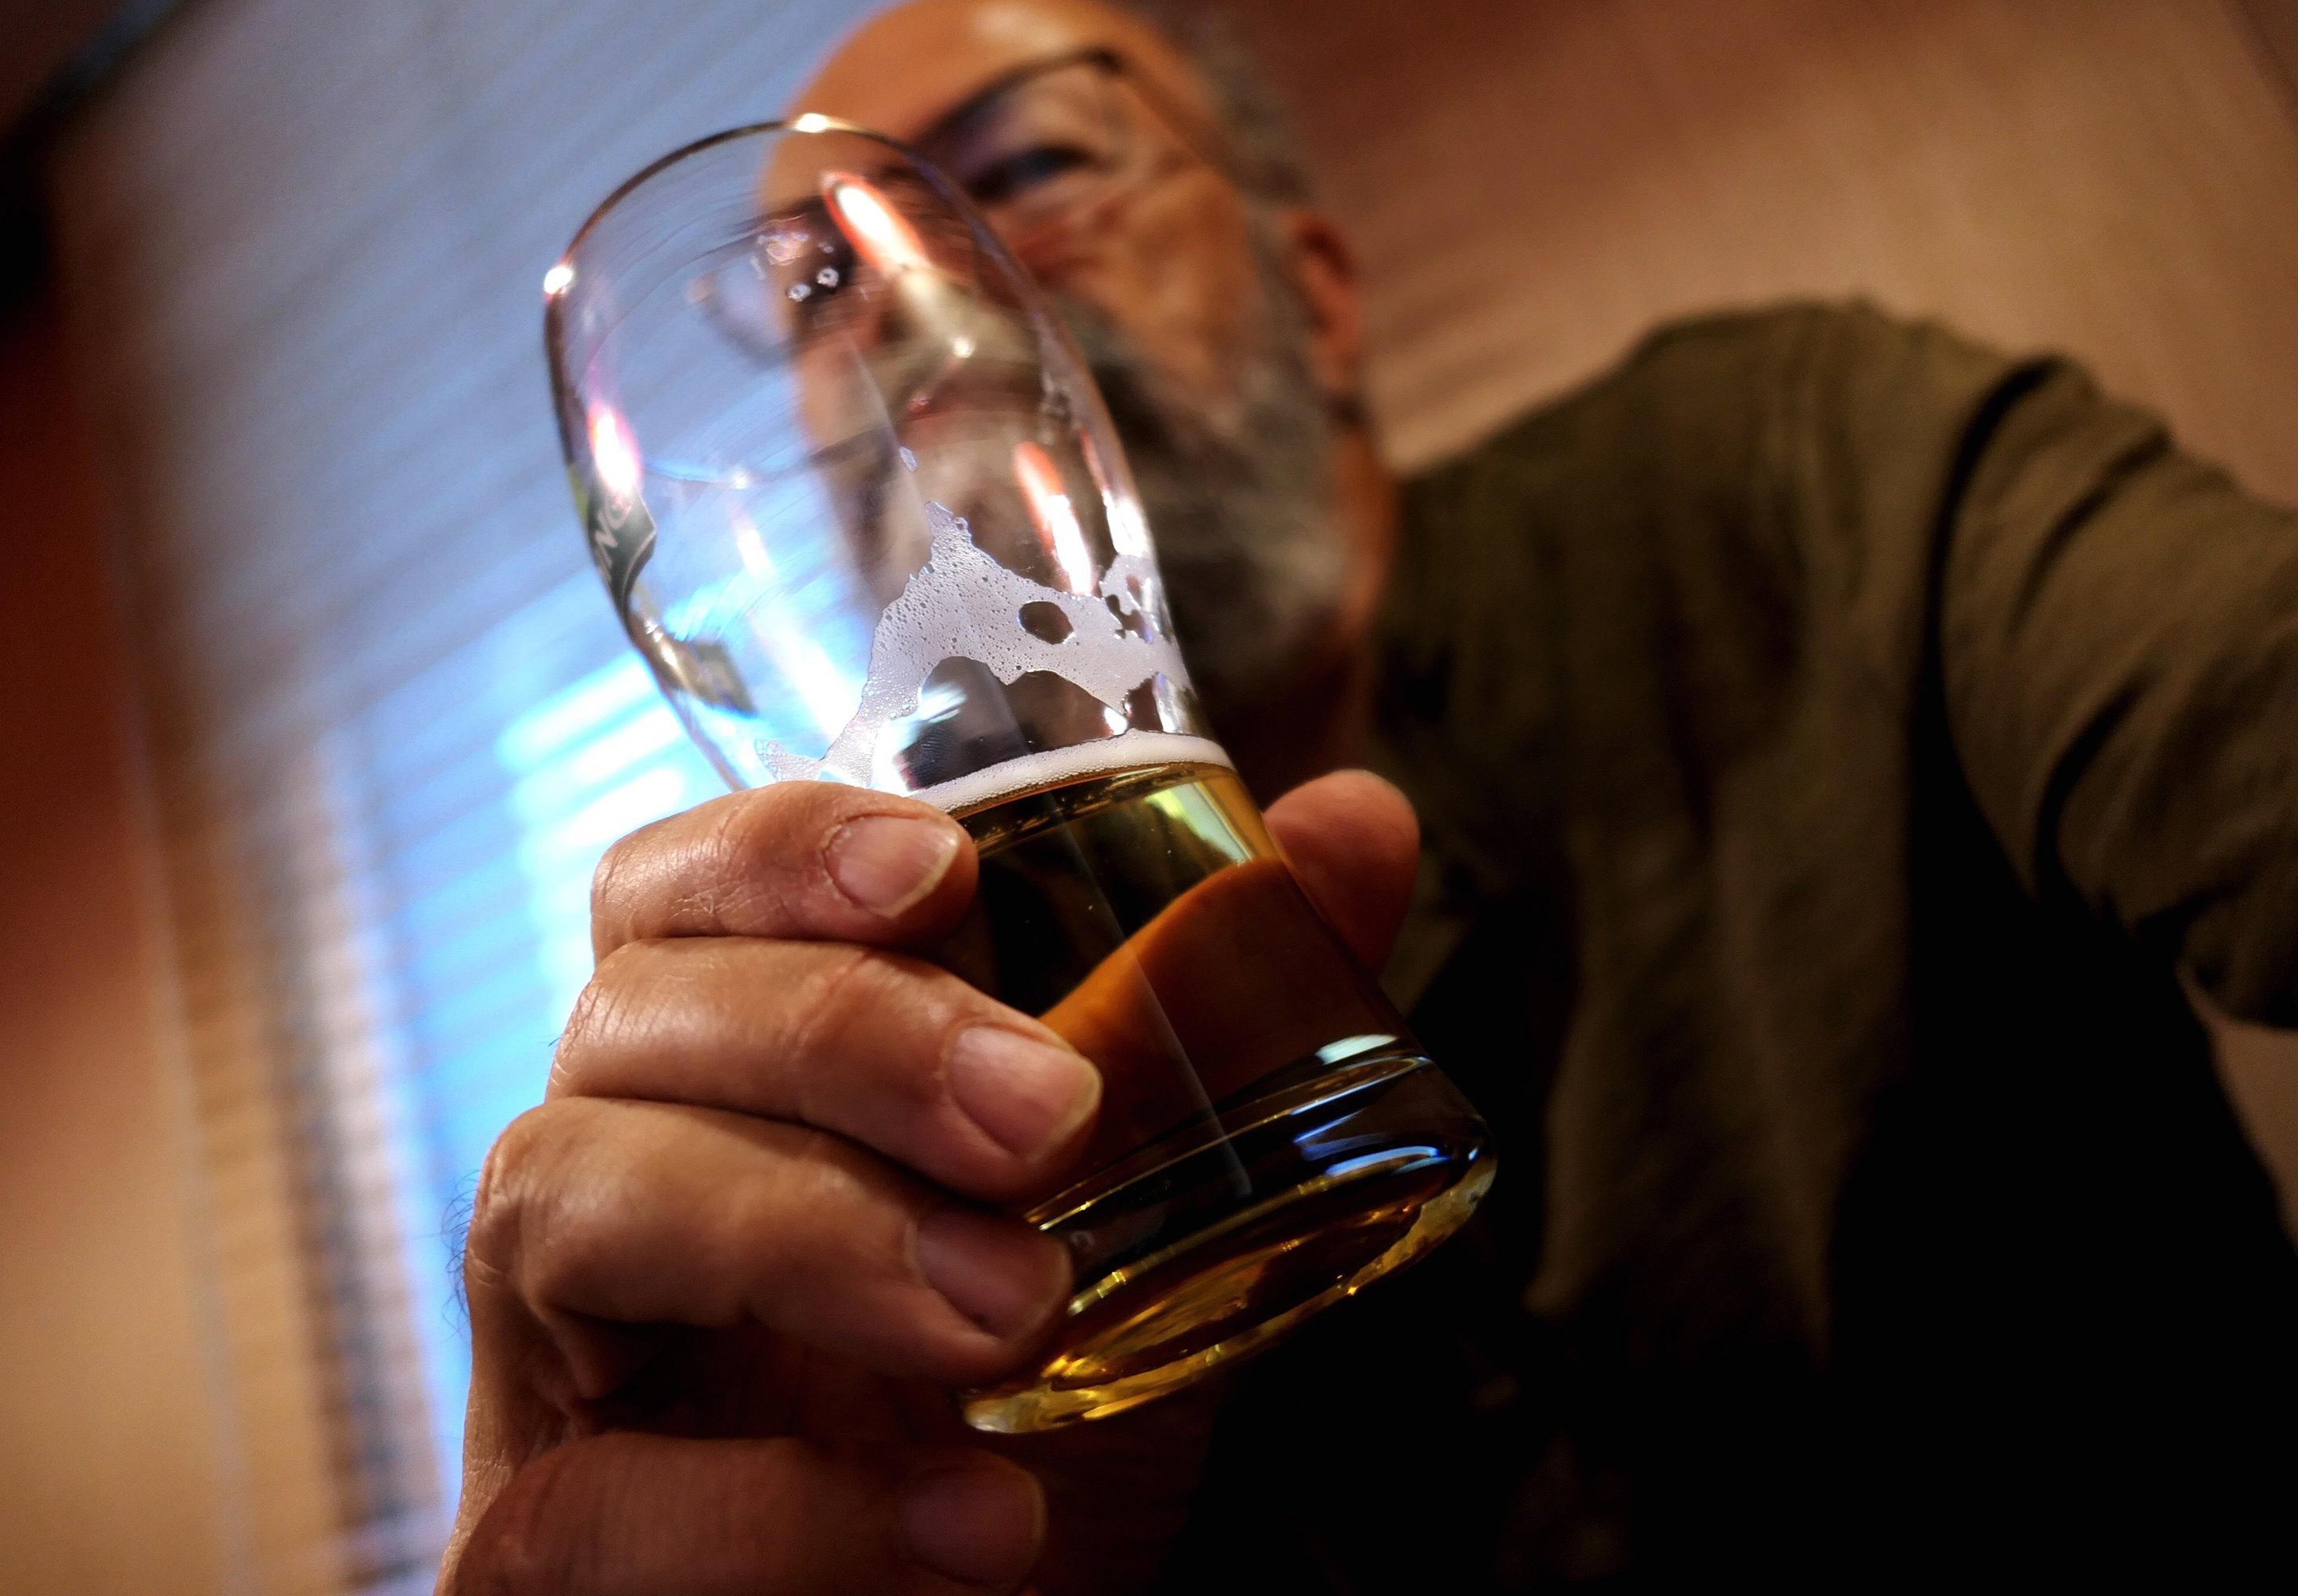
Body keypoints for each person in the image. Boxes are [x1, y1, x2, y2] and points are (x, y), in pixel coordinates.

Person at [439, 1, 2298, 1589]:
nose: (923, 318)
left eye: (1025, 176)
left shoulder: (1794, 474)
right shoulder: (887, 1106)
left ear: (1317, 298)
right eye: (822, 286)